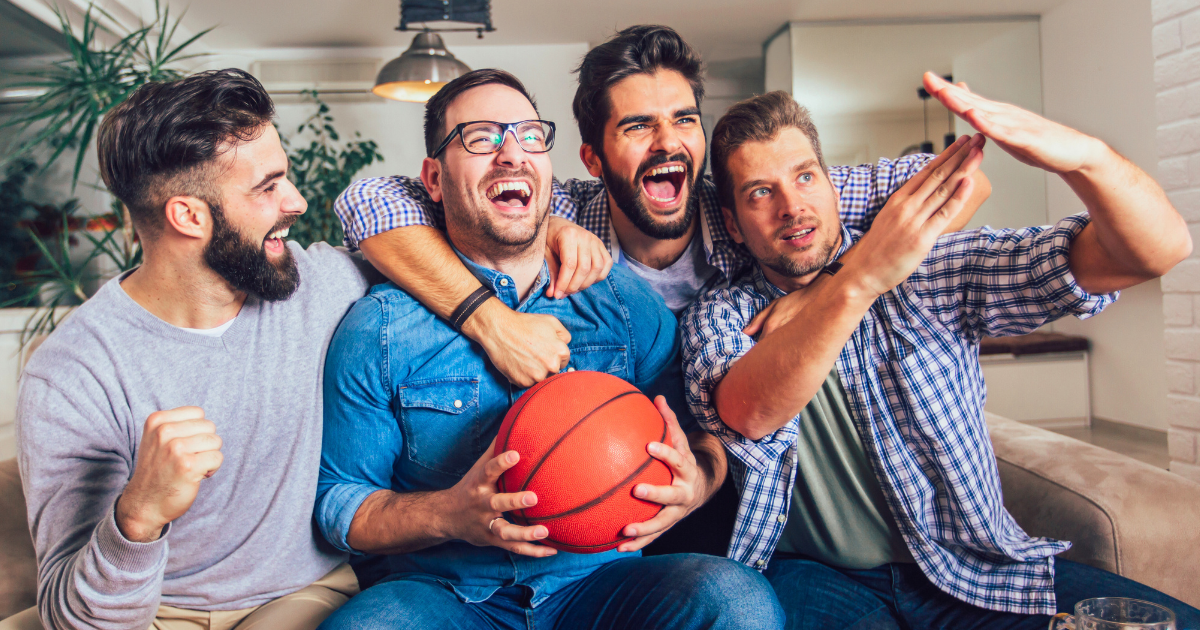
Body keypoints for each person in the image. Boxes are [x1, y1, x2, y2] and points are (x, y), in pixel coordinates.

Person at [330, 26, 990, 551]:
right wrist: (491, 319)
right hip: (595, 475)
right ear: (591, 158)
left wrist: (825, 291)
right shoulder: (563, 207)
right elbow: (369, 201)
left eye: (683, 119)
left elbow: (958, 182)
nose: (668, 141)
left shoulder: (751, 202)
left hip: (727, 467)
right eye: (638, 126)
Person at [681, 78, 1200, 628]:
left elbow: (1155, 251)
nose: (792, 206)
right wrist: (857, 282)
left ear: (833, 188)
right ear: (733, 225)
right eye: (760, 192)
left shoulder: (927, 270)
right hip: (817, 577)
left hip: (972, 572)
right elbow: (748, 412)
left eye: (805, 177)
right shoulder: (722, 315)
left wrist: (1088, 160)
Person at [314, 68, 782, 629]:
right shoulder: (381, 329)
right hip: (444, 594)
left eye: (530, 136)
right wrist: (451, 513)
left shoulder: (626, 307)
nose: (511, 154)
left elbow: (707, 435)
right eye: (481, 137)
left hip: (600, 583)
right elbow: (339, 503)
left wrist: (697, 482)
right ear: (433, 180)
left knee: (738, 603)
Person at [12, 69, 372, 630]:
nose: (296, 201)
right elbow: (70, 613)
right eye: (267, 186)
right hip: (151, 610)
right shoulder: (71, 373)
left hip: (298, 593)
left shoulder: (321, 286)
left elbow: (443, 237)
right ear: (188, 215)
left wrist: (553, 232)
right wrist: (139, 515)